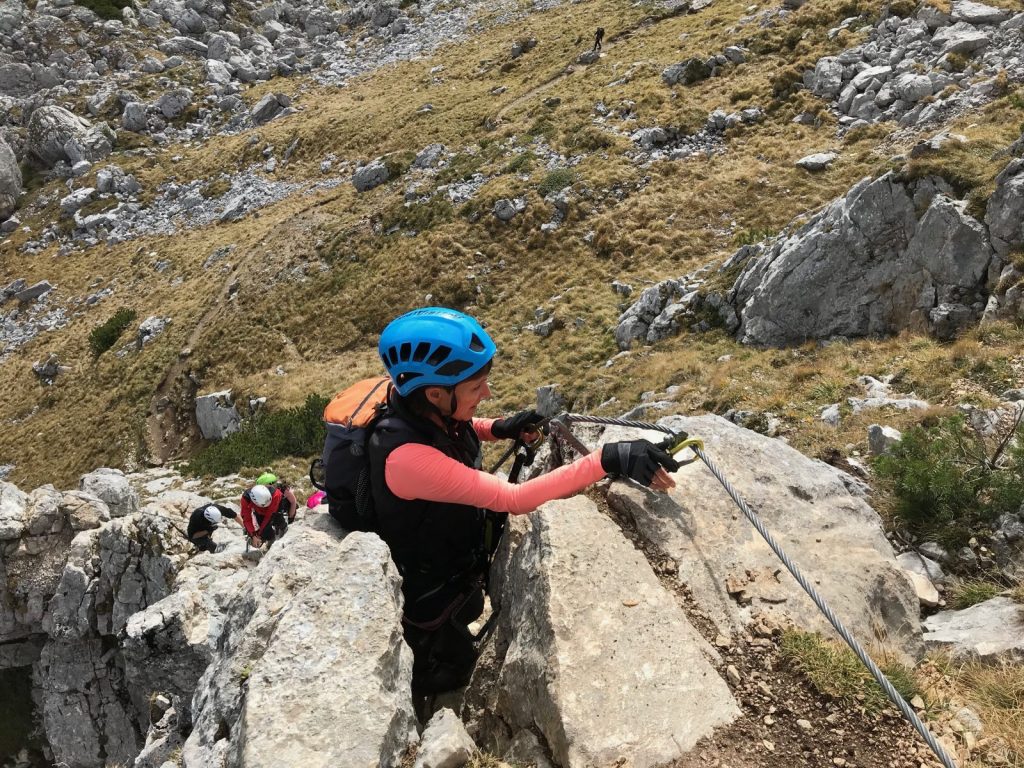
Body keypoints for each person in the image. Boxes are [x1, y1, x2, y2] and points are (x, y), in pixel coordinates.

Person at [369, 307, 680, 694]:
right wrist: (606, 459)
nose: (487, 393)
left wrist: (498, 428)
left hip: (449, 562)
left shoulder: (418, 406)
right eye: (476, 387)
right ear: (435, 393)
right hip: (430, 595)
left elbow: (453, 427)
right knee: (451, 674)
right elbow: (514, 498)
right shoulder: (405, 459)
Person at [240, 479, 296, 549]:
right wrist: (253, 535)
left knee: (277, 519)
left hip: (274, 507)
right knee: (265, 531)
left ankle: (283, 528)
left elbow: (269, 516)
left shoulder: (276, 494)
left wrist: (259, 533)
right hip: (259, 511)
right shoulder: (246, 499)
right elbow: (246, 519)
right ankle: (270, 541)